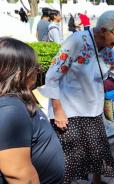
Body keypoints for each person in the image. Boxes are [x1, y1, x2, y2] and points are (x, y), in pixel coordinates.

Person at [40, 11, 114, 184]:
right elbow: (52, 76)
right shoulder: (77, 41)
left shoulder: (110, 53)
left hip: (93, 110)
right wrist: (58, 111)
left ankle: (96, 181)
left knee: (97, 151)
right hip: (68, 112)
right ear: (103, 30)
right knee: (71, 157)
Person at [0, 37, 65, 184]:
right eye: (36, 68)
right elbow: (18, 175)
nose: (38, 71)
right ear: (18, 73)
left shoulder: (15, 100)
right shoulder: (10, 110)